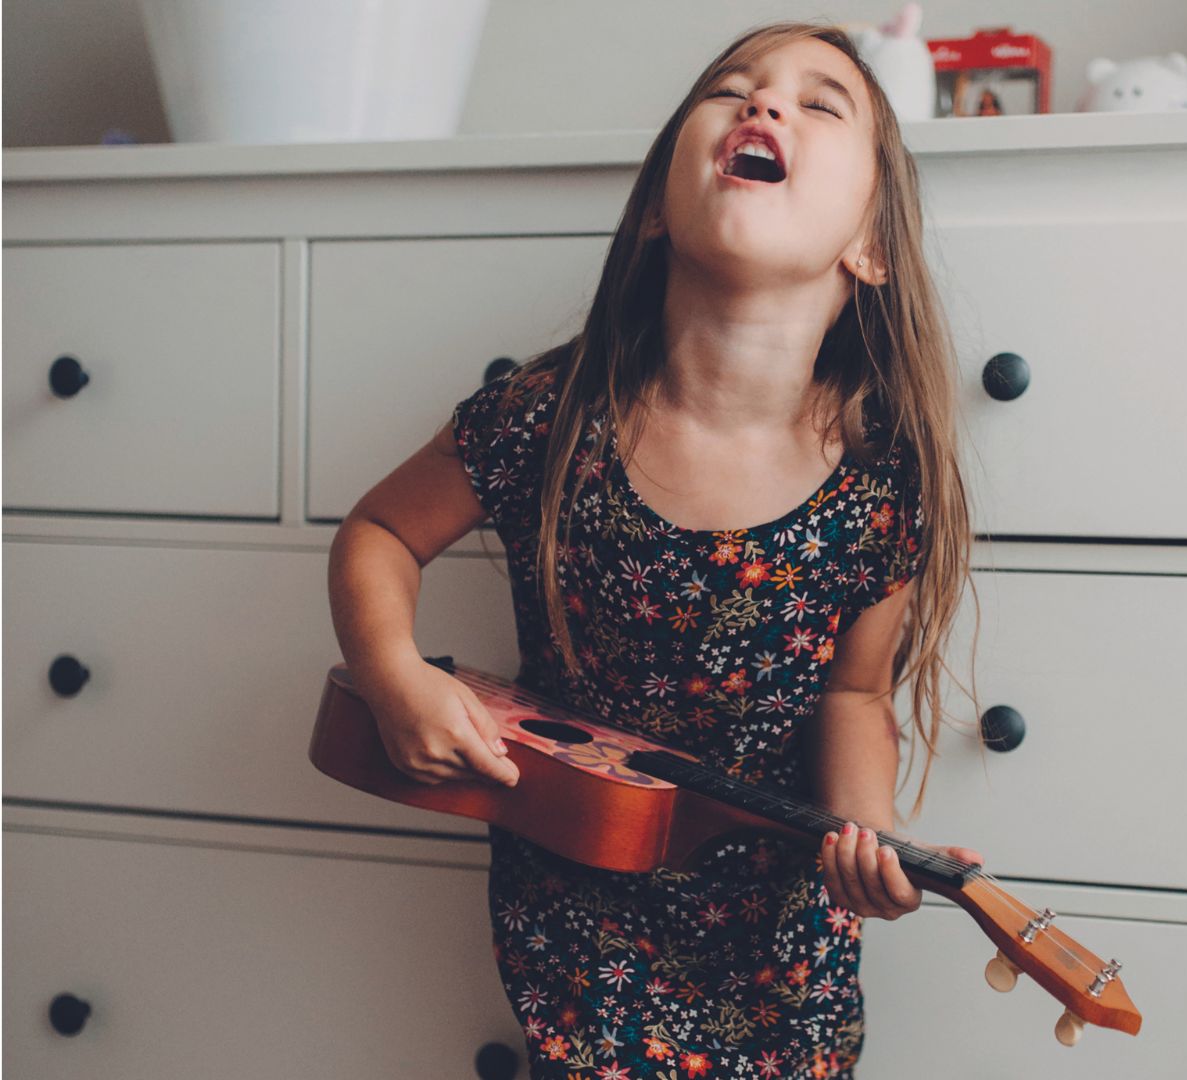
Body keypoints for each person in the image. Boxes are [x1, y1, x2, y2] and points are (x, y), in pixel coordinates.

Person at [327, 20, 983, 1079]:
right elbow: (381, 533)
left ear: (871, 246)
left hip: (781, 957)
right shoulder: (549, 420)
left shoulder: (879, 488)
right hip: (579, 926)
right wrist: (393, 674)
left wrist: (869, 831)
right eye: (731, 91)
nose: (764, 107)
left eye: (820, 104)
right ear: (649, 214)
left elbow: (853, 698)